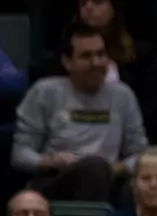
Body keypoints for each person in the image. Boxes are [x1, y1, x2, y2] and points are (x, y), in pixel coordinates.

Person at [11, 23, 147, 202]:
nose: (96, 63)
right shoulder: (44, 92)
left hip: (111, 177)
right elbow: (19, 154)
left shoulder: (123, 95)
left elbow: (140, 154)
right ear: (67, 62)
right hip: (56, 180)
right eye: (86, 56)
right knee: (94, 168)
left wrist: (117, 168)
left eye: (100, 54)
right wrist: (50, 162)